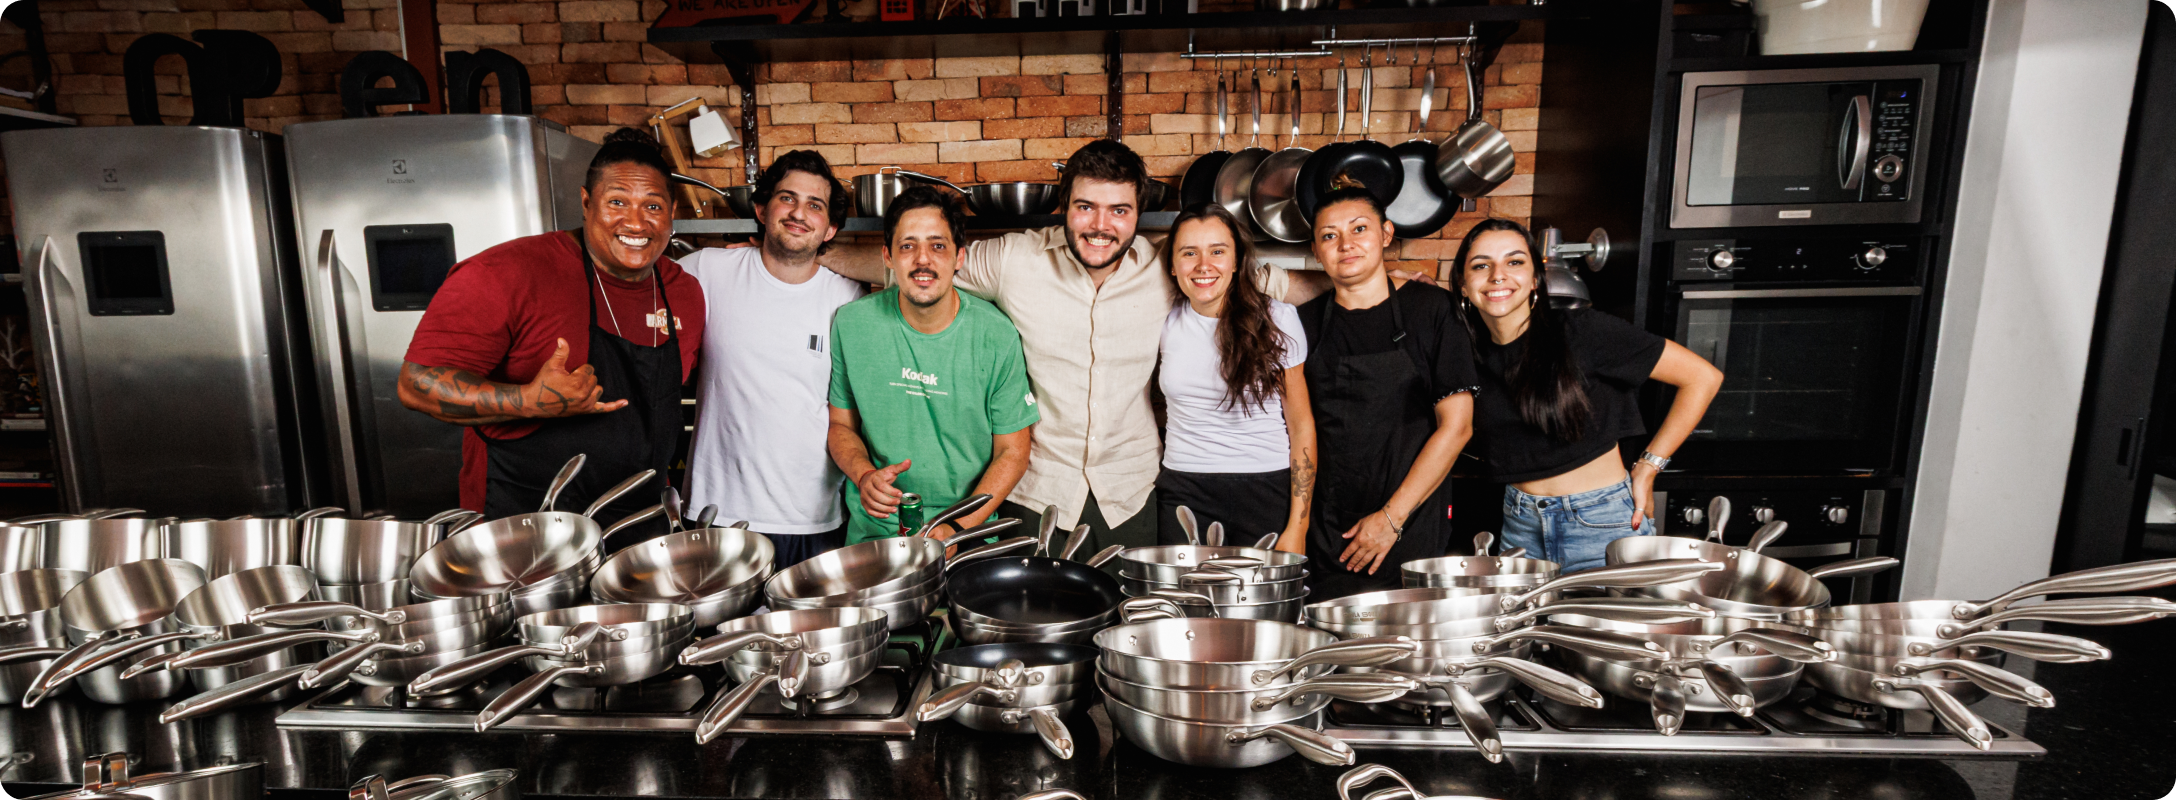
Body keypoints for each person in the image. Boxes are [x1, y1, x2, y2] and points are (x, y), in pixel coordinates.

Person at [817, 140, 1358, 566]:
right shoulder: (1014, 260)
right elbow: (919, 264)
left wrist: (1361, 286)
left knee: (1131, 636)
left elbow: (1263, 278)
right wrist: (810, 249)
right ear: (1063, 207)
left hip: (1135, 494)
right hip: (1038, 494)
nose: (1101, 225)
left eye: (1119, 210)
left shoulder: (1168, 266)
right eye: (1086, 207)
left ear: (1137, 211)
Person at [397, 128, 703, 543]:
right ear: (585, 203)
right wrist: (527, 401)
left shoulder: (683, 291)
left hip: (639, 525)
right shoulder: (507, 273)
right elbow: (416, 384)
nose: (635, 222)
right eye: (617, 202)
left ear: (671, 215)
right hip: (524, 525)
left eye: (653, 206)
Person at [1452, 219, 1724, 573]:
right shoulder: (1463, 351)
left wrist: (1648, 468)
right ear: (1463, 283)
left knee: (1611, 630)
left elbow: (1702, 377)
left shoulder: (1585, 332)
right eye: (1481, 265)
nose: (1498, 275)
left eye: (1515, 262)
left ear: (1535, 279)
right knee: (1528, 631)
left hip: (1603, 523)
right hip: (1520, 525)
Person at [826, 186, 1038, 545]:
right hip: (875, 535)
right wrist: (864, 476)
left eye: (938, 245)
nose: (922, 259)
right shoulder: (851, 324)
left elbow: (1013, 452)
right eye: (907, 245)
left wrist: (956, 529)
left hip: (966, 532)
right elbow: (840, 425)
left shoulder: (996, 335)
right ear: (888, 257)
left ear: (959, 257)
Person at [679, 151, 861, 569]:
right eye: (787, 198)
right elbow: (635, 291)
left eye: (815, 205)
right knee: (715, 636)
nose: (799, 213)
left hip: (812, 519)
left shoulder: (848, 296)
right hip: (716, 514)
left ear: (830, 227)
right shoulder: (706, 270)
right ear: (761, 209)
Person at [1296, 188, 1478, 599]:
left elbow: (1458, 427)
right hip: (1328, 533)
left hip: (1409, 527)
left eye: (1359, 229)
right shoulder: (1303, 324)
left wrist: (1390, 520)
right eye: (1329, 236)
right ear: (1315, 249)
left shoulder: (1431, 309)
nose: (1346, 244)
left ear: (1386, 234)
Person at [1154, 204, 1314, 554]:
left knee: (1259, 607)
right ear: (1172, 265)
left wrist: (1297, 527)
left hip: (1263, 487)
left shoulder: (1278, 319)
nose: (1203, 265)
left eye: (1217, 251)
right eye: (1189, 253)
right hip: (1183, 487)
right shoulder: (1163, 322)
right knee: (1184, 605)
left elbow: (1301, 426)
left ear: (1237, 261)